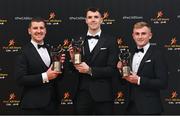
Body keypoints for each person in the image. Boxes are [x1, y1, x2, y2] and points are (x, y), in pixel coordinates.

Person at [69, 7, 118, 114]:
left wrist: (90, 70)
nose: (93, 20)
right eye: (90, 17)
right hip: (81, 94)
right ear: (86, 20)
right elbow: (72, 69)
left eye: (96, 17)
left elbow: (112, 70)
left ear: (101, 19)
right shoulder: (77, 39)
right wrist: (72, 59)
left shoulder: (111, 41)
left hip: (103, 96)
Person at [117, 21, 168, 114]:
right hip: (130, 107)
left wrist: (139, 80)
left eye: (143, 33)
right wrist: (120, 71)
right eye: (137, 34)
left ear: (150, 35)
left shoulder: (157, 54)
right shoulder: (129, 54)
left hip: (150, 108)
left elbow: (163, 83)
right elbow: (123, 82)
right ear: (133, 35)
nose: (140, 37)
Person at [14, 17, 62, 114]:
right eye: (35, 28)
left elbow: (57, 77)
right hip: (33, 106)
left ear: (45, 30)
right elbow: (20, 79)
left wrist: (60, 67)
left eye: (41, 28)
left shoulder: (51, 49)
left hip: (53, 104)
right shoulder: (23, 52)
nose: (39, 31)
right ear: (29, 31)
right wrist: (45, 76)